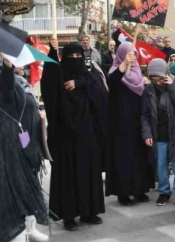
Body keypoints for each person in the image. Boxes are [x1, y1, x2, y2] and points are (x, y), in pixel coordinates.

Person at [41, 41, 108, 231]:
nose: (76, 60)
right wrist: (52, 54)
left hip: (88, 135)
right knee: (69, 176)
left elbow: (101, 94)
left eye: (79, 56)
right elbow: (49, 86)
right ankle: (69, 216)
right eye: (72, 56)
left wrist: (80, 84)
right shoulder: (59, 75)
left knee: (89, 172)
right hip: (67, 137)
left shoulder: (88, 76)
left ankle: (89, 211)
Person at [0, 53, 49, 242]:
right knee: (13, 186)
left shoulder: (22, 81)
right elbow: (6, 89)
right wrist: (7, 65)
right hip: (9, 146)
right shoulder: (6, 79)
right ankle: (15, 231)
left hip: (28, 144)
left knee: (30, 183)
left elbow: (26, 102)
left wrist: (37, 112)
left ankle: (30, 226)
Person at [105, 42, 153, 206]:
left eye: (134, 53)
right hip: (121, 123)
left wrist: (145, 84)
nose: (132, 56)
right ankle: (123, 193)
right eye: (128, 53)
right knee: (124, 157)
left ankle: (139, 190)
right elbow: (112, 81)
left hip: (138, 121)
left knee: (139, 157)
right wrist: (125, 63)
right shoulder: (115, 70)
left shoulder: (138, 71)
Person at [141, 59, 175, 209]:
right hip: (159, 133)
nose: (158, 82)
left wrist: (172, 87)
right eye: (154, 79)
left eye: (160, 78)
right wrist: (147, 134)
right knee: (161, 164)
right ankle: (164, 192)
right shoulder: (149, 90)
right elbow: (144, 115)